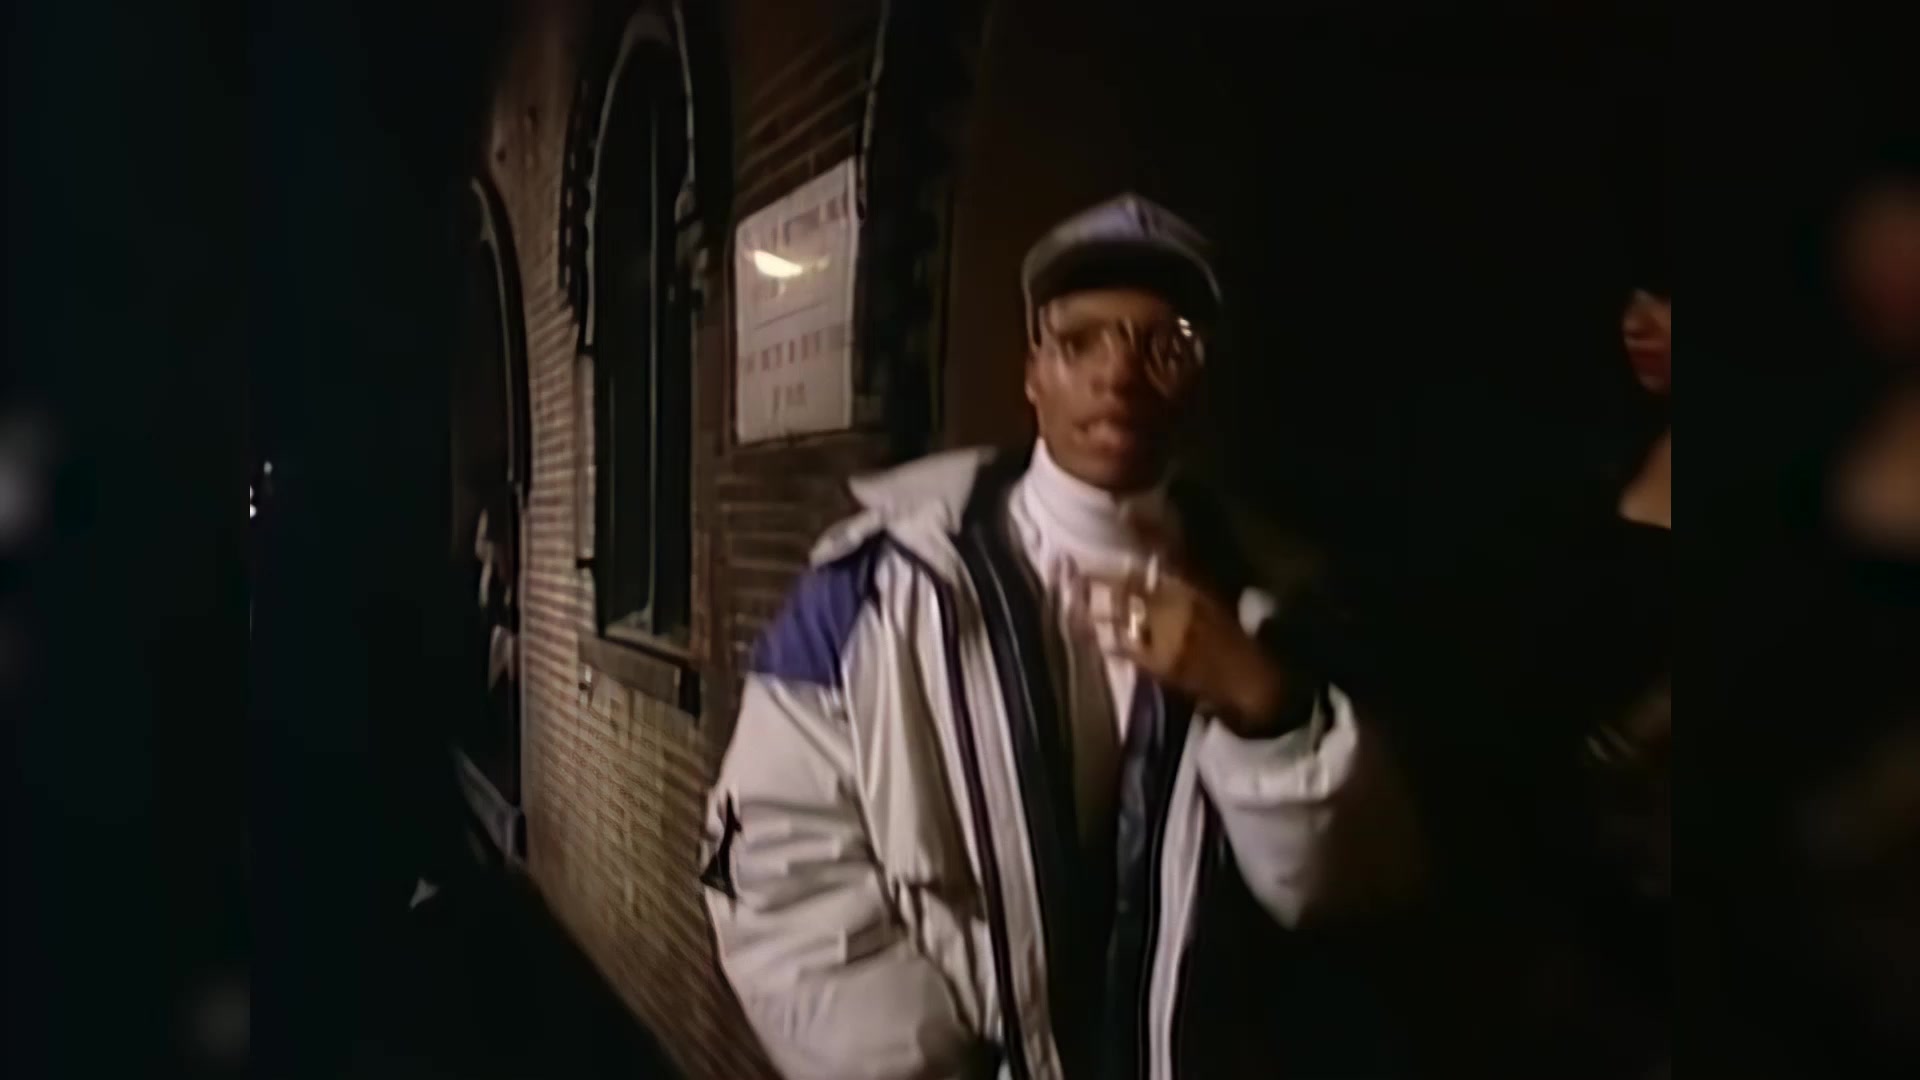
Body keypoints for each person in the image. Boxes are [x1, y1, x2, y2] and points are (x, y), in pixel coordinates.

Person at [700, 195, 1417, 1080]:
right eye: (1080, 342)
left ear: (1198, 374)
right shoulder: (875, 591)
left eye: (1165, 344)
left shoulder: (1282, 601)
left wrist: (1262, 703)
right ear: (1033, 369)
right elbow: (777, 872)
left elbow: (1353, 892)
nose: (1119, 375)